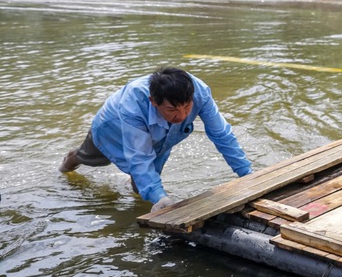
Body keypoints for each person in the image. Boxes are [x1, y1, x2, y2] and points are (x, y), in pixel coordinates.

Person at [60, 67, 253, 212]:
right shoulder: (132, 106)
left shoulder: (200, 92)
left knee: (145, 181)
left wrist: (247, 174)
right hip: (112, 128)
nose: (182, 116)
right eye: (172, 110)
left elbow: (222, 134)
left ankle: (142, 192)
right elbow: (139, 157)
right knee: (91, 157)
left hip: (162, 134)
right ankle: (68, 162)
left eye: (187, 107)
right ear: (154, 101)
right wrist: (161, 197)